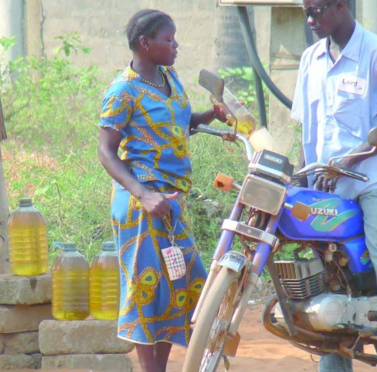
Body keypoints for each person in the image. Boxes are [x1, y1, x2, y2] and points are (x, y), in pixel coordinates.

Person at [291, 1, 377, 371]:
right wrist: (297, 176)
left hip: (374, 181)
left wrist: (351, 160)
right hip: (327, 187)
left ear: (339, 6)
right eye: (307, 11)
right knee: (328, 273)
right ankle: (334, 363)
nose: (309, 19)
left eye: (316, 11)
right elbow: (307, 131)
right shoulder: (310, 59)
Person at [97, 9, 228, 372]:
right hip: (142, 205)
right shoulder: (123, 90)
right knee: (147, 292)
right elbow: (106, 151)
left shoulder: (168, 77)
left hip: (170, 204)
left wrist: (209, 116)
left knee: (178, 286)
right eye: (168, 40)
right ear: (145, 43)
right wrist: (143, 194)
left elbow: (181, 124)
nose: (176, 45)